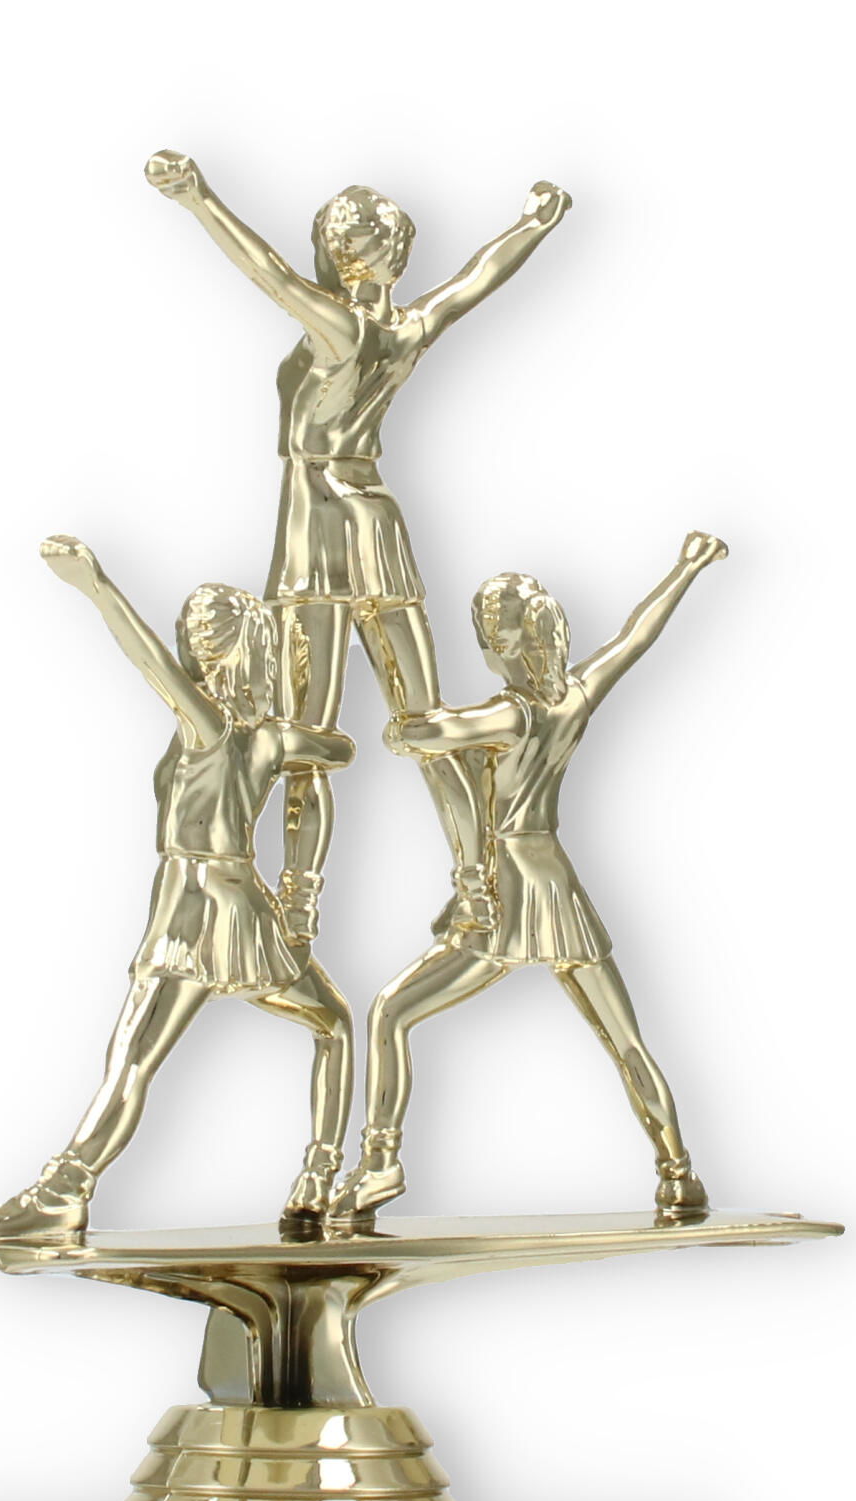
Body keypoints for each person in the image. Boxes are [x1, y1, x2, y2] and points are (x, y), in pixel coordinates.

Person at [144, 149, 571, 940]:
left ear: (347, 255)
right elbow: (476, 279)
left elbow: (267, 272)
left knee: (306, 734)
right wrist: (532, 224)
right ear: (396, 257)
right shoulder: (407, 329)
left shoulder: (338, 327)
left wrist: (198, 198)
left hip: (315, 526)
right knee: (424, 721)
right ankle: (475, 884)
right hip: (375, 518)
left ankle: (300, 899)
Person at [0, 537, 358, 1247]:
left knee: (135, 1059)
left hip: (200, 909)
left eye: (205, 632)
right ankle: (319, 1173)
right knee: (331, 1026)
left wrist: (98, 588)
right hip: (227, 903)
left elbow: (145, 658)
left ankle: (65, 1191)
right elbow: (337, 748)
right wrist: (299, 710)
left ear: (227, 650)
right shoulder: (262, 736)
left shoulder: (213, 727)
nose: (191, 642)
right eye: (190, 629)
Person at [333, 532, 730, 1223]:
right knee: (625, 1040)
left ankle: (380, 1161)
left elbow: (430, 732)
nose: (485, 644)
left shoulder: (509, 714)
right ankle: (678, 1170)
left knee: (391, 1012)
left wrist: (401, 717)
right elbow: (635, 637)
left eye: (488, 632)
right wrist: (686, 569)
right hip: (558, 882)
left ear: (507, 641)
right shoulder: (574, 697)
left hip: (510, 889)